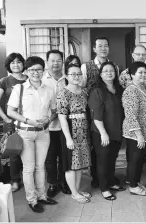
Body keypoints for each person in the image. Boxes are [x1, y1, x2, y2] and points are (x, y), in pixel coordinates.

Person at [7, 56, 58, 213]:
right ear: (27, 71)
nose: (36, 72)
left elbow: (54, 111)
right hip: (25, 133)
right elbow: (10, 111)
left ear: (44, 71)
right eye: (32, 70)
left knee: (40, 166)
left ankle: (42, 195)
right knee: (29, 168)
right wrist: (29, 120)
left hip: (43, 133)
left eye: (39, 69)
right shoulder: (19, 89)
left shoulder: (48, 90)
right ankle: (32, 199)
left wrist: (48, 119)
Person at [80, 36, 117, 188]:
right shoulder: (85, 67)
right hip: (93, 113)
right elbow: (81, 89)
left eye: (106, 45)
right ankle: (96, 178)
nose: (103, 48)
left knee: (109, 148)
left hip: (111, 113)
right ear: (94, 49)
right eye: (100, 46)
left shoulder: (113, 66)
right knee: (97, 146)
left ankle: (108, 178)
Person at [88, 61, 126, 200]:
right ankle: (104, 188)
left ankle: (111, 181)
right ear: (101, 74)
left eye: (111, 70)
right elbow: (96, 115)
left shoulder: (118, 89)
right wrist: (103, 133)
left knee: (112, 158)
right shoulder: (97, 90)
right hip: (101, 132)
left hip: (116, 130)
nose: (109, 73)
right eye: (105, 71)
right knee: (103, 160)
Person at [0, 53, 27, 192]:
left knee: (28, 150)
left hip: (28, 122)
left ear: (23, 64)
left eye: (18, 62)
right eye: (12, 62)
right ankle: (14, 180)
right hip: (11, 122)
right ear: (8, 65)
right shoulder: (4, 81)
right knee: (14, 151)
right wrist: (6, 119)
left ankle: (27, 177)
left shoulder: (30, 78)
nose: (16, 64)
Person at [119, 44, 146, 179]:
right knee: (134, 151)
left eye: (143, 54)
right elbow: (125, 94)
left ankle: (145, 170)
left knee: (144, 150)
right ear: (133, 55)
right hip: (133, 113)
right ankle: (132, 177)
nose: (141, 56)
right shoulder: (125, 75)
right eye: (138, 54)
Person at [56, 63, 92, 204]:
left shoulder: (84, 91)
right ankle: (74, 193)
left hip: (83, 130)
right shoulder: (63, 93)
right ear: (66, 76)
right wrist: (68, 138)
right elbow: (62, 117)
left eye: (78, 74)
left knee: (80, 163)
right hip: (70, 131)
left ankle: (77, 189)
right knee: (71, 163)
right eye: (73, 74)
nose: (76, 77)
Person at [122, 61, 146, 196]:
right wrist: (139, 135)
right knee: (135, 160)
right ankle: (133, 186)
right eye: (139, 72)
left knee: (139, 159)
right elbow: (130, 114)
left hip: (143, 133)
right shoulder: (131, 90)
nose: (143, 75)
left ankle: (135, 182)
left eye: (144, 72)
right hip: (135, 134)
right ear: (132, 74)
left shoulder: (141, 87)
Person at [42, 50, 71, 198]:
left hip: (66, 127)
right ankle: (52, 183)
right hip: (48, 127)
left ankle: (64, 182)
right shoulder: (41, 79)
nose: (55, 63)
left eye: (58, 60)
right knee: (50, 157)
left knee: (64, 156)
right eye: (52, 60)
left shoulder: (68, 79)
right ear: (47, 62)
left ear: (62, 62)